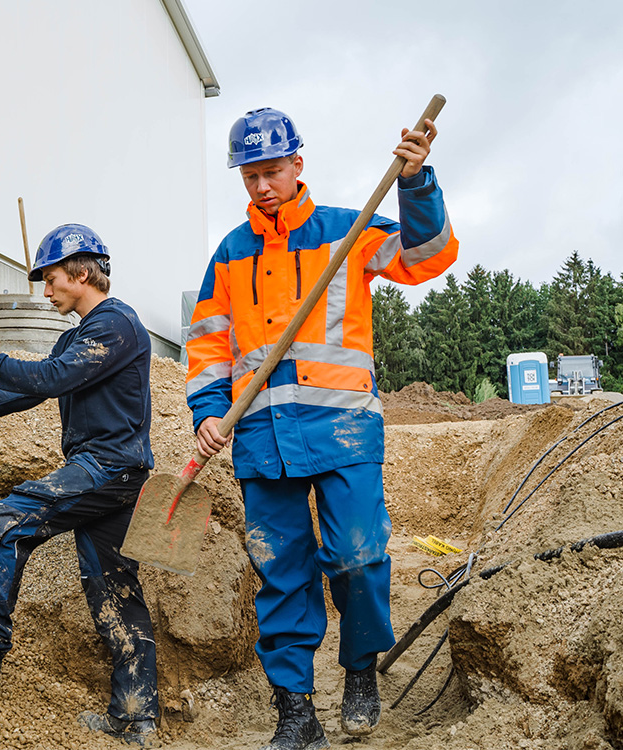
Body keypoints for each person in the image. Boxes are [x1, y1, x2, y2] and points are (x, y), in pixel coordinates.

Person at [185, 108, 458, 750]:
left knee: (358, 557)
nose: (261, 186)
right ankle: (296, 711)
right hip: (261, 438)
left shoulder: (348, 230)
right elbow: (207, 344)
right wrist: (205, 413)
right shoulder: (230, 253)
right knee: (281, 571)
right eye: (249, 175)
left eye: (272, 171)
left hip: (342, 432)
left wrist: (416, 183)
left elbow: (427, 256)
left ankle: (360, 673)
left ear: (298, 165)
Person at [0, 224, 159, 747]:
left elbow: (49, 380)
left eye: (50, 281)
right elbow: (26, 392)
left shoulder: (116, 325)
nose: (46, 292)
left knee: (7, 522)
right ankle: (136, 716)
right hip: (107, 474)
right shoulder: (77, 337)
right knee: (114, 591)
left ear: (80, 273)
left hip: (107, 467)